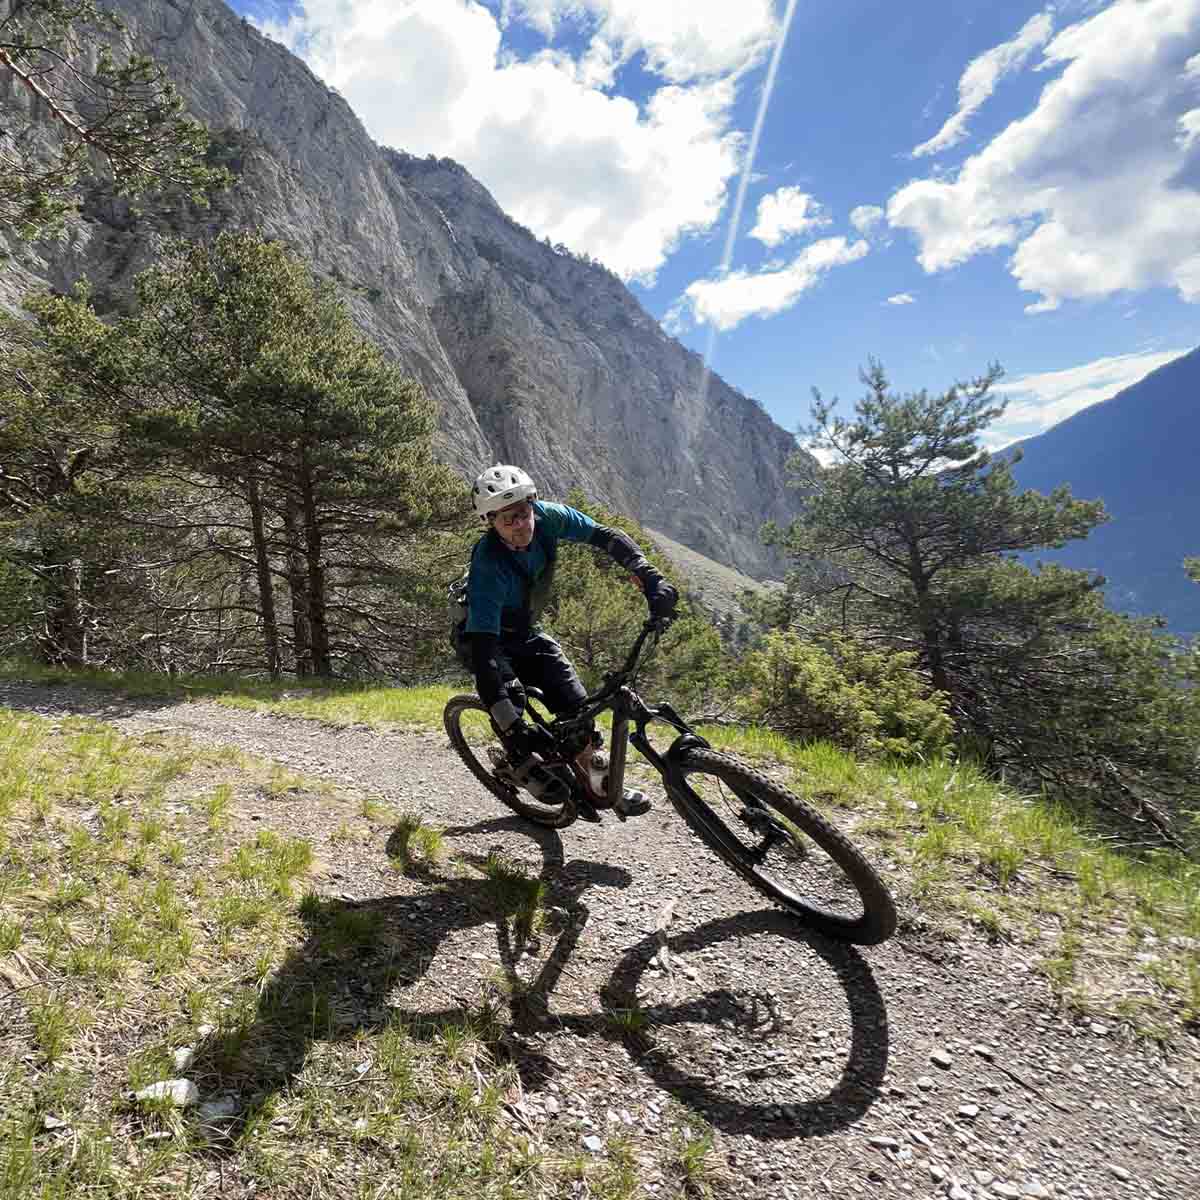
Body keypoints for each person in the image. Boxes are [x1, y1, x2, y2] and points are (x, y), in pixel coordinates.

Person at [464, 464, 678, 819]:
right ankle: (518, 763)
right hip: (487, 640)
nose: (520, 524)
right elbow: (483, 653)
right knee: (511, 705)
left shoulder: (548, 518)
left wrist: (648, 574)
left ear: (532, 504)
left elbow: (605, 536)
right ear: (491, 522)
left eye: (523, 512)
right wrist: (512, 729)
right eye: (507, 519)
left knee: (578, 712)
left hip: (526, 632)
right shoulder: (488, 564)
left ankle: (603, 785)